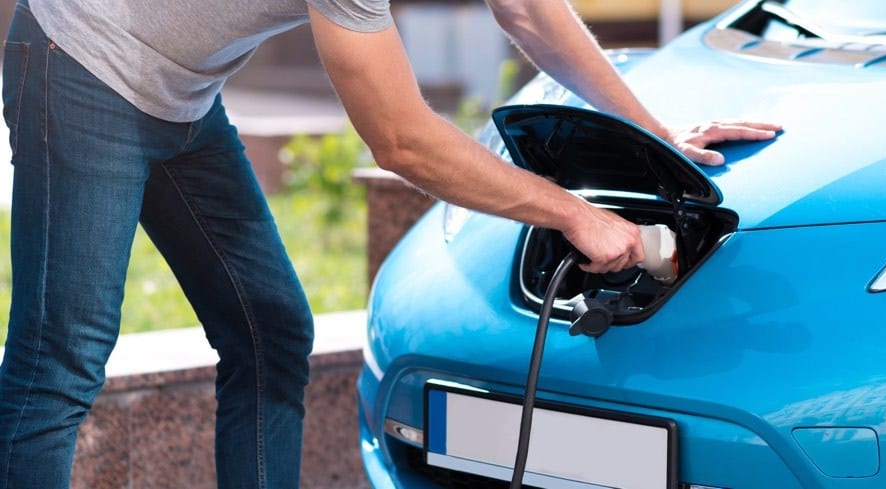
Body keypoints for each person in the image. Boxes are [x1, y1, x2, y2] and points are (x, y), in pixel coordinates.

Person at [0, 0, 781, 487]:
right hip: (79, 62)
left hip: (181, 94)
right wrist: (569, 213)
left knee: (272, 333)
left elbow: (531, 13)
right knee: (59, 358)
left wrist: (654, 136)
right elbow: (402, 140)